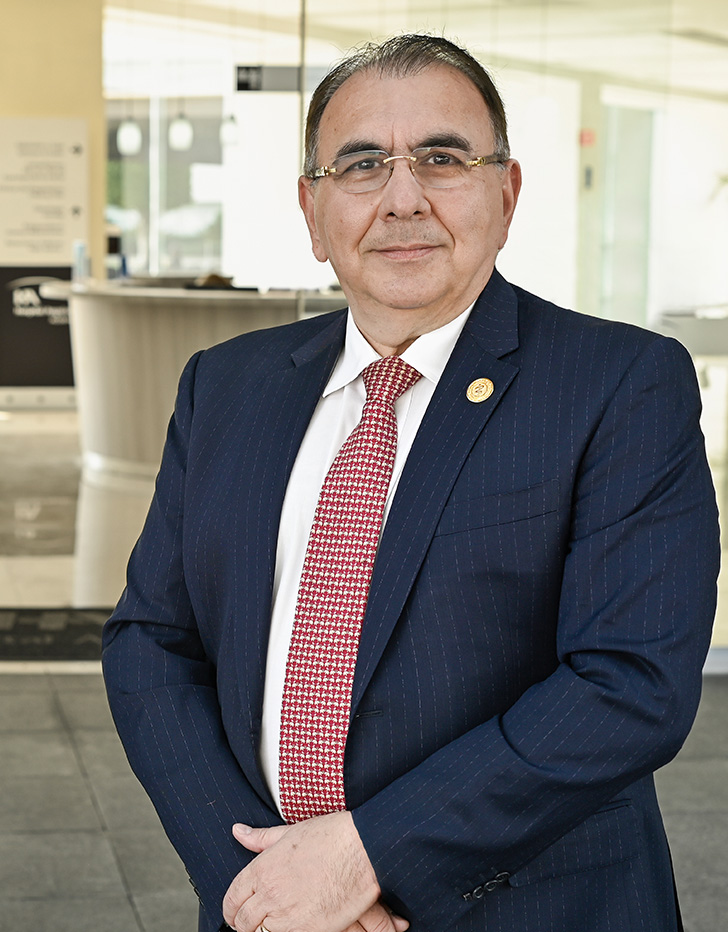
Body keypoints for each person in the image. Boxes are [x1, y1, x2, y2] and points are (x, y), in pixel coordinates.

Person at [102, 34, 720, 932]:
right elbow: (150, 642)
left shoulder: (621, 384)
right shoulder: (225, 385)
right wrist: (259, 884)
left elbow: (630, 685)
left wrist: (367, 859)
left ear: (506, 194)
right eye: (360, 165)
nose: (402, 199)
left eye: (443, 157)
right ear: (312, 213)